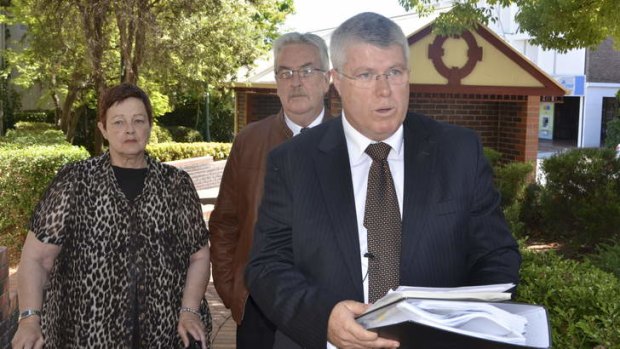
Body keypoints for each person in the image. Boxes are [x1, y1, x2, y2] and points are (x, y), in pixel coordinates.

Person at [245, 12, 521, 349]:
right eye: (366, 75)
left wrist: (468, 326)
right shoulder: (292, 161)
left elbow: (497, 256)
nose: (384, 90)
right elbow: (266, 266)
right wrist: (324, 319)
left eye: (394, 72)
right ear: (337, 80)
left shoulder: (459, 151)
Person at [11, 83, 212, 349]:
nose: (129, 129)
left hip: (165, 334)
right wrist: (29, 319)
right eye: (118, 122)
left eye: (138, 120)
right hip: (84, 335)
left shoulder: (176, 184)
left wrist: (189, 311)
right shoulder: (75, 181)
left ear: (150, 127)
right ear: (103, 129)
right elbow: (36, 258)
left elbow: (199, 255)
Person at [209, 32, 332, 348]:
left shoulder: (353, 144)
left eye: (307, 70)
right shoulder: (249, 141)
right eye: (285, 72)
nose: (295, 81)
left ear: (327, 79)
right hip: (258, 308)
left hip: (331, 308)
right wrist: (232, 288)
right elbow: (225, 223)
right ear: (276, 82)